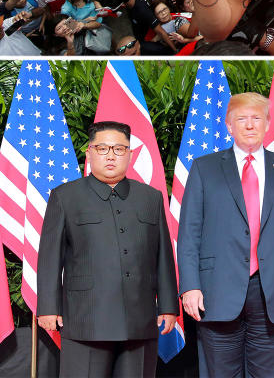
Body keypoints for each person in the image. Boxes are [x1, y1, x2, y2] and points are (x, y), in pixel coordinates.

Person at [177, 93, 274, 378]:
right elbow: (189, 233)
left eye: (256, 118)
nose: (250, 125)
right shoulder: (204, 168)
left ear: (267, 124)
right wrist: (189, 286)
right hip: (215, 292)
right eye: (242, 119)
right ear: (229, 126)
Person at [37, 121, 179, 377]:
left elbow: (164, 257)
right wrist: (48, 306)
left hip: (140, 317)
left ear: (130, 154)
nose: (111, 155)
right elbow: (50, 257)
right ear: (89, 153)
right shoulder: (65, 196)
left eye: (119, 149)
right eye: (102, 148)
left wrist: (168, 306)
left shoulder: (151, 197)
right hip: (86, 318)